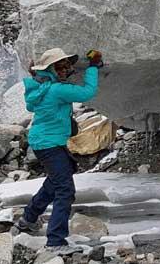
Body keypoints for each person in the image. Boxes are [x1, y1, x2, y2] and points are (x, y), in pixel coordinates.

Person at [15, 48, 103, 255]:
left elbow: (42, 88)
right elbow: (87, 93)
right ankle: (55, 240)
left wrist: (36, 74)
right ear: (51, 70)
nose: (65, 70)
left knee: (56, 181)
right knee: (65, 190)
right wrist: (93, 67)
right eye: (60, 67)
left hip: (44, 142)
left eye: (66, 66)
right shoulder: (57, 90)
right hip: (50, 143)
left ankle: (28, 218)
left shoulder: (42, 86)